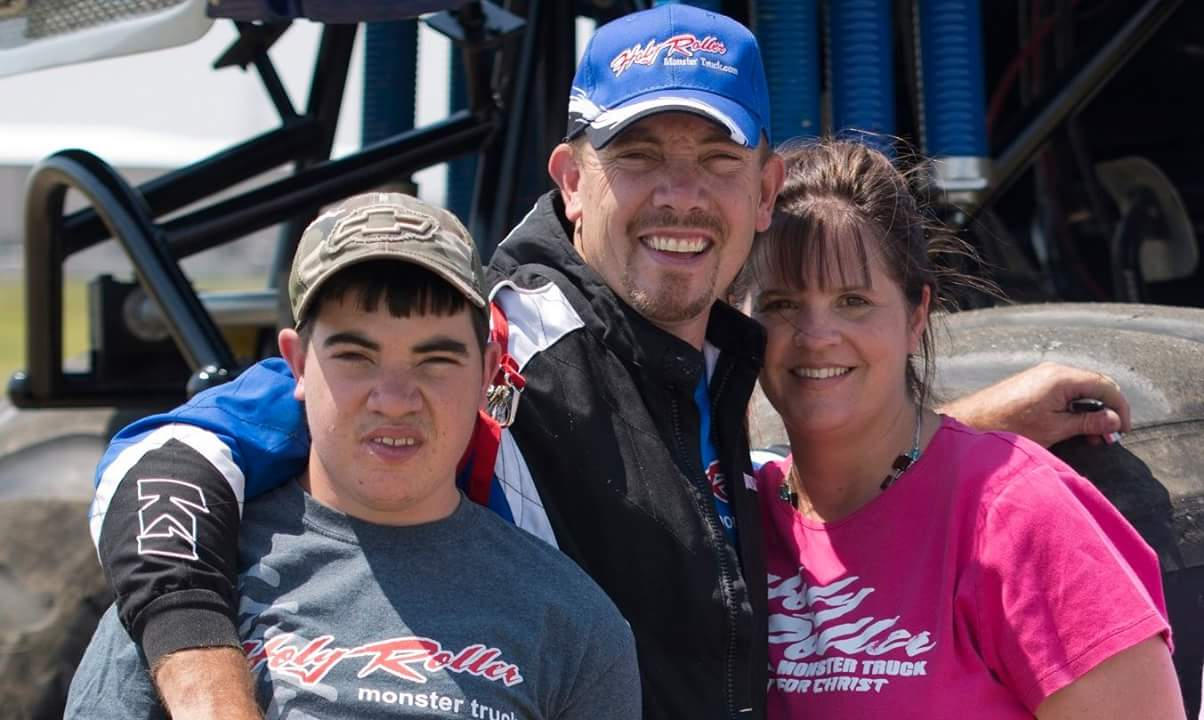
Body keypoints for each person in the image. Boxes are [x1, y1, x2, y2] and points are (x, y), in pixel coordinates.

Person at [84, 6, 1130, 719]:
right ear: (570, 180)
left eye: (713, 160)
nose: (679, 195)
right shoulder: (486, 339)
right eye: (637, 159)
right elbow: (166, 460)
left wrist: (942, 437)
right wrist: (207, 683)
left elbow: (713, 513)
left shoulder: (703, 363)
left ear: (764, 190)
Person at [66, 192, 641, 719]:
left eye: (435, 360)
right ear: (297, 364)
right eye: (356, 357)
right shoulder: (192, 585)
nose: (395, 399)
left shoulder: (573, 623)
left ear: (488, 372)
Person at [747, 140, 1182, 719]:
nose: (816, 335)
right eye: (781, 303)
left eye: (853, 300)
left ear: (916, 315)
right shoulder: (736, 514)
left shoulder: (1020, 514)